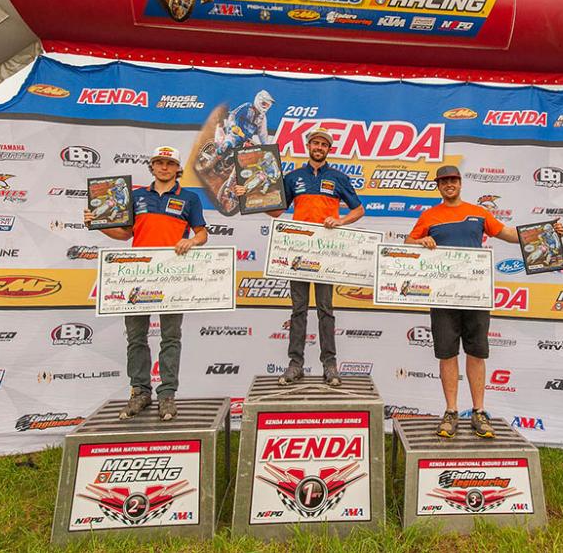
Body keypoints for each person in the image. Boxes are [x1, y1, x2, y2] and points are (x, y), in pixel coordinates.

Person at [404, 165, 563, 439]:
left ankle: (478, 411)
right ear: (438, 186)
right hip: (442, 294)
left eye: (453, 180)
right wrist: (423, 242)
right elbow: (408, 242)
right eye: (444, 181)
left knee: (476, 352)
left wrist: (548, 232)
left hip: (475, 293)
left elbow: (509, 234)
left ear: (460, 183)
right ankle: (451, 411)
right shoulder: (429, 215)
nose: (449, 184)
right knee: (447, 354)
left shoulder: (478, 212)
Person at [84, 146, 207, 421]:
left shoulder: (189, 198)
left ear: (178, 168)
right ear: (152, 166)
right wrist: (97, 223)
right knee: (136, 337)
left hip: (172, 276)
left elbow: (202, 233)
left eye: (170, 163)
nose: (164, 167)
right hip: (137, 276)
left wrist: (191, 241)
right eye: (159, 162)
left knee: (170, 337)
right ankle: (140, 392)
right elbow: (124, 233)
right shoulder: (137, 196)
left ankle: (167, 395)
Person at [236, 127, 364, 387]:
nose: (319, 147)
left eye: (323, 144)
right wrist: (248, 196)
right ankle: (296, 364)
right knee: (298, 310)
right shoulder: (293, 177)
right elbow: (276, 211)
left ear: (329, 149)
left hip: (326, 252)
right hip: (298, 252)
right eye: (315, 143)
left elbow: (359, 210)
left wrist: (340, 221)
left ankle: (330, 365)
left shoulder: (338, 178)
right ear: (308, 146)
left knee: (326, 310)